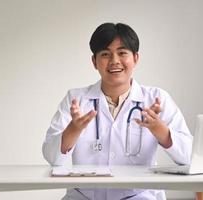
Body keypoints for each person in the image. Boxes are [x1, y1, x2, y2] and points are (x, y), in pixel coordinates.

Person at [42, 22, 193, 200]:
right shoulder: (76, 99)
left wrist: (161, 131)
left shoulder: (156, 99)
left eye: (122, 53)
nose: (114, 60)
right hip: (84, 196)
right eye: (105, 54)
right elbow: (52, 157)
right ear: (94, 62)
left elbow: (189, 156)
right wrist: (72, 130)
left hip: (139, 196)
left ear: (135, 58)